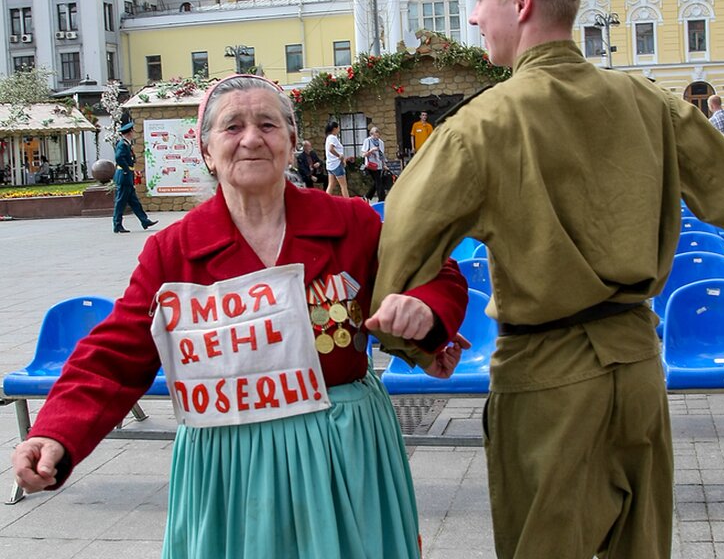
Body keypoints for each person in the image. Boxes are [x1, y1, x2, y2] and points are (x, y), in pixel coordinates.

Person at [370, 0, 724, 558]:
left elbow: (402, 241)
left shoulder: (479, 125)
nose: (475, 17)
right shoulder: (649, 102)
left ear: (521, 5)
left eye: (481, 3)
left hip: (545, 377)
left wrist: (416, 338)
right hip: (637, 367)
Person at [11, 74, 471, 558]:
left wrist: (425, 308)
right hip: (228, 462)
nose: (251, 138)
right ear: (207, 150)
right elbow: (116, 354)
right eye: (232, 127)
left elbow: (436, 272)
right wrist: (54, 433)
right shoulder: (174, 250)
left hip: (342, 449)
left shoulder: (351, 222)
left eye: (268, 125)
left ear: (291, 143)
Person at [112, 121, 158, 233]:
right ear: (129, 132)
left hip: (127, 176)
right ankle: (117, 224)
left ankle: (144, 220)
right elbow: (119, 158)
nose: (133, 133)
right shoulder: (123, 144)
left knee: (134, 201)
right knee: (121, 201)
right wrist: (127, 170)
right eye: (132, 131)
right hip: (124, 176)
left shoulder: (126, 144)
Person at [361, 127, 390, 201]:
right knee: (378, 181)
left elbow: (382, 155)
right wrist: (371, 150)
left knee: (377, 182)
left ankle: (367, 196)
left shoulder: (381, 142)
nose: (376, 137)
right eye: (374, 135)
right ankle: (382, 199)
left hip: (379, 164)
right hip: (371, 165)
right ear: (371, 134)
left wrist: (384, 165)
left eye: (378, 135)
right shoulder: (367, 141)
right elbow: (363, 154)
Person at [324, 120, 350, 197]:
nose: (339, 129)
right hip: (336, 164)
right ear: (334, 128)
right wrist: (339, 156)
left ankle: (325, 200)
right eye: (338, 128)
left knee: (331, 184)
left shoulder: (328, 137)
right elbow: (331, 149)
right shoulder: (333, 138)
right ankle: (347, 203)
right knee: (343, 185)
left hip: (330, 165)